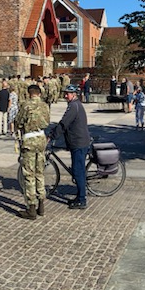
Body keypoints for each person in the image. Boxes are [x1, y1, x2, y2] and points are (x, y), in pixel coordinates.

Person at [53, 84, 91, 210]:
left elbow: (63, 124)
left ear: (74, 94)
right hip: (77, 142)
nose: (65, 95)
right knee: (77, 170)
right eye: (65, 93)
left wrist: (52, 136)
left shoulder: (74, 106)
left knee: (78, 171)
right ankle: (80, 195)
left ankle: (82, 200)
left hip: (79, 143)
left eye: (67, 93)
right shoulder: (75, 105)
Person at [15, 84, 50, 220]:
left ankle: (31, 208)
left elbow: (18, 121)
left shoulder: (26, 105)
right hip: (41, 139)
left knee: (29, 174)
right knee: (40, 172)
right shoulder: (44, 105)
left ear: (29, 93)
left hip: (29, 140)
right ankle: (41, 204)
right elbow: (47, 122)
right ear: (39, 94)